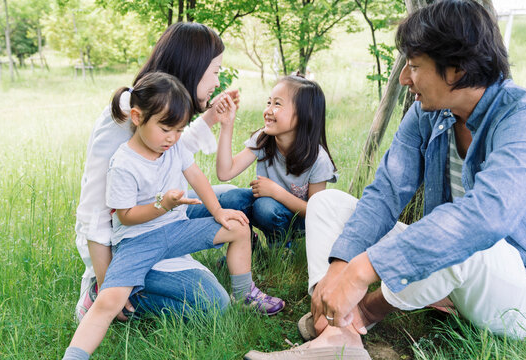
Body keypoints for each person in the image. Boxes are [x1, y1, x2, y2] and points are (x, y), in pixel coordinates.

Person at [245, 1, 526, 359]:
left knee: (465, 233)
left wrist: (363, 272)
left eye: (414, 66)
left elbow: (486, 217)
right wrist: (341, 267)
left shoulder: (525, 117)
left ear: (457, 69)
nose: (404, 79)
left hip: (515, 295)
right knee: (326, 203)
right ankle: (337, 334)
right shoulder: (428, 113)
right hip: (447, 274)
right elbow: (385, 192)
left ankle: (363, 314)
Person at [63, 72, 285, 360]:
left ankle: (244, 295)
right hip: (137, 241)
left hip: (176, 228)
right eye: (166, 129)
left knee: (238, 227)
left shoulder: (174, 147)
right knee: (108, 302)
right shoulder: (123, 163)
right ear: (137, 117)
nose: (172, 138)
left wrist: (218, 212)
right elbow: (127, 216)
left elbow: (196, 176)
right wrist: (163, 205)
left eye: (179, 130)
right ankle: (75, 355)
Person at [74, 22, 243, 323]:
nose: (217, 81)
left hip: (167, 215)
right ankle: (107, 294)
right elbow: (94, 207)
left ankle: (215, 265)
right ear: (193, 66)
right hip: (134, 237)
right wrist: (107, 281)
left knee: (238, 200)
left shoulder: (165, 111)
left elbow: (171, 150)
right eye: (215, 71)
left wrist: (212, 117)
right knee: (214, 305)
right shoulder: (128, 112)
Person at [214, 75, 338, 246]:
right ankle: (248, 247)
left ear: (303, 114)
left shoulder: (318, 158)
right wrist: (227, 125)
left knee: (265, 206)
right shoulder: (264, 140)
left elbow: (315, 211)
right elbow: (225, 172)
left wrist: (276, 192)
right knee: (230, 199)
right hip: (267, 205)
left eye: (277, 104)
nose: (268, 110)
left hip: (298, 220)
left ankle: (282, 251)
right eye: (268, 102)